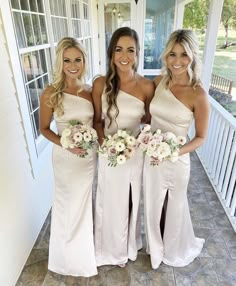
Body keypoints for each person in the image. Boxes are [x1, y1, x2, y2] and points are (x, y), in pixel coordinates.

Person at [143, 29, 210, 269]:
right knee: (153, 203)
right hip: (152, 157)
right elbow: (148, 117)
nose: (178, 61)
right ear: (166, 56)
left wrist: (173, 152)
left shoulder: (198, 94)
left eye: (184, 54)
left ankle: (172, 249)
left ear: (193, 57)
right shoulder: (158, 82)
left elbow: (201, 137)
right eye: (172, 54)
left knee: (173, 205)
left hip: (176, 159)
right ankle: (155, 246)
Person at [92, 27, 154, 267]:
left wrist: (137, 141)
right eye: (119, 49)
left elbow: (149, 122)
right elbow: (97, 121)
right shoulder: (100, 83)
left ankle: (128, 244)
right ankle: (109, 247)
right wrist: (104, 143)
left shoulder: (147, 87)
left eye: (131, 50)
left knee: (130, 199)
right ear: (111, 53)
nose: (124, 56)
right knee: (108, 200)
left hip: (134, 153)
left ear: (138, 54)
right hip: (108, 152)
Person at [40, 37, 97, 277]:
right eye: (67, 60)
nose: (73, 65)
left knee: (83, 205)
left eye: (77, 59)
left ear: (84, 61)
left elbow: (98, 123)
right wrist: (66, 143)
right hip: (65, 158)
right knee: (66, 205)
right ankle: (63, 259)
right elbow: (44, 129)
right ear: (60, 62)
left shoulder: (91, 91)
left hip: (87, 158)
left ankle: (83, 255)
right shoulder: (51, 92)